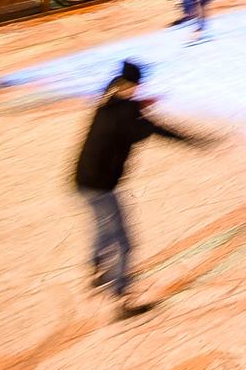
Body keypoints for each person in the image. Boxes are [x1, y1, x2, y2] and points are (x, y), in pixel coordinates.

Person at [74, 60, 203, 316]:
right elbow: (153, 129)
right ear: (132, 85)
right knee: (123, 242)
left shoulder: (107, 100)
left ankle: (98, 270)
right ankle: (122, 300)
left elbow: (126, 108)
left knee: (103, 227)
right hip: (102, 184)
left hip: (83, 180)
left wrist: (139, 105)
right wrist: (193, 140)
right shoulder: (126, 116)